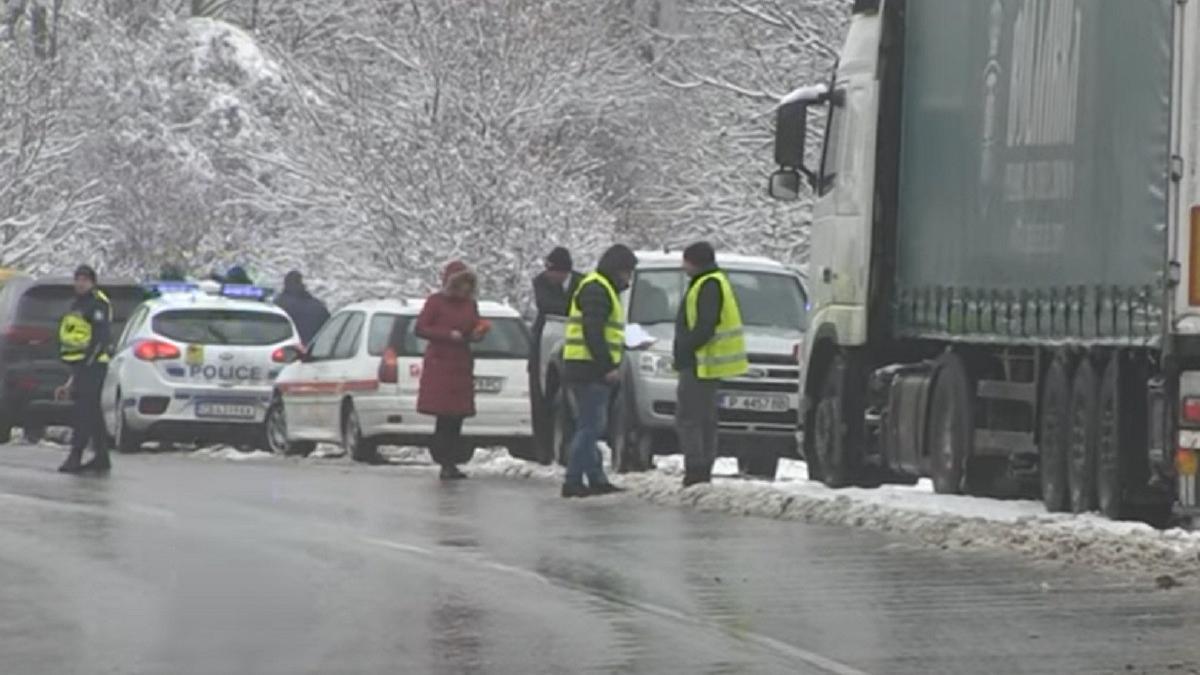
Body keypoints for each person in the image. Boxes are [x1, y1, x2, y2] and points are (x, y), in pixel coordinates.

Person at [560, 244, 639, 498]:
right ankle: (573, 480)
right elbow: (593, 331)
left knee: (589, 424)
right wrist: (607, 367)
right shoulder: (597, 289)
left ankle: (595, 478)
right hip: (589, 368)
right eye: (627, 272)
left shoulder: (599, 287)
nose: (628, 278)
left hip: (584, 366)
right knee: (591, 426)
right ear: (617, 269)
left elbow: (604, 330)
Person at [672, 242, 748, 487]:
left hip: (701, 362)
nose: (683, 266)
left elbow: (705, 325)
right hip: (703, 362)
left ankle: (696, 470)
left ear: (694, 262)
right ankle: (701, 468)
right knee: (703, 418)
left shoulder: (708, 284)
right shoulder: (710, 281)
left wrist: (685, 347)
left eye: (685, 261)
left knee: (690, 418)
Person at [416, 261, 489, 480]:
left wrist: (478, 332)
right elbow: (421, 328)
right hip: (440, 364)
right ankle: (444, 460)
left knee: (458, 416)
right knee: (444, 416)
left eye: (469, 283)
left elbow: (473, 325)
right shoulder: (436, 302)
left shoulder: (470, 305)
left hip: (461, 364)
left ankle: (452, 461)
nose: (465, 288)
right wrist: (447, 334)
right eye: (461, 283)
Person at [55, 265, 114, 474]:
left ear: (92, 282)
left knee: (84, 411)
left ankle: (76, 454)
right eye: (77, 279)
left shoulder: (97, 304)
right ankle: (102, 456)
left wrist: (87, 363)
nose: (80, 283)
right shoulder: (77, 303)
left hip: (93, 363)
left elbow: (100, 337)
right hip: (79, 363)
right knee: (93, 411)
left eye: (84, 280)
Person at [529, 247, 583, 458]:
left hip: (572, 342)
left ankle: (567, 446)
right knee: (540, 399)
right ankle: (543, 449)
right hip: (544, 340)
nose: (548, 275)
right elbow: (547, 305)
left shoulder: (582, 283)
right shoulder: (541, 282)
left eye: (552, 271)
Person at [274, 270, 330, 346]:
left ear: (285, 284)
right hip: (313, 348)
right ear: (302, 283)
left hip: (285, 347)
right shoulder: (317, 306)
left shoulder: (278, 305)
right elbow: (328, 327)